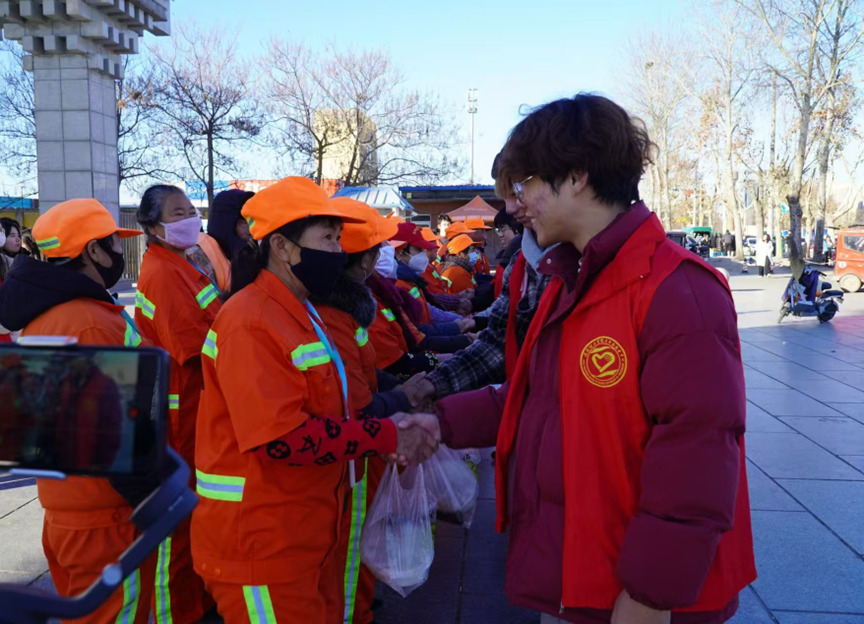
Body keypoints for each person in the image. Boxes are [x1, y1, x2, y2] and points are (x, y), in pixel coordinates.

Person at [430, 94, 756, 623]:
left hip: (641, 599)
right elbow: (537, 398)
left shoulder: (676, 288)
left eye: (523, 185)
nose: (513, 206)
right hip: (579, 576)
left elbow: (698, 449)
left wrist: (651, 595)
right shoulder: (571, 282)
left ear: (577, 175)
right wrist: (435, 421)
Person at [190, 177, 440, 624]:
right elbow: (281, 438)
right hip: (261, 546)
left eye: (339, 238)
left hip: (303, 538)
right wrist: (388, 435)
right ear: (283, 247)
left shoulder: (300, 312)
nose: (338, 250)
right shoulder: (251, 321)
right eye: (327, 237)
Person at [0, 199, 156, 624]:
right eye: (111, 244)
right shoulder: (90, 320)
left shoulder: (46, 315)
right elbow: (116, 432)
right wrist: (154, 494)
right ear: (91, 251)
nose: (118, 254)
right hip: (105, 517)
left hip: (68, 509)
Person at [312, 201, 428, 624]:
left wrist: (399, 390)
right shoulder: (332, 313)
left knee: (355, 548)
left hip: (358, 452)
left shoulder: (348, 305)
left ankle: (358, 606)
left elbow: (363, 374)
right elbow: (355, 401)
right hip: (349, 454)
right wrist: (403, 397)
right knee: (347, 549)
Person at [135, 185, 220, 624]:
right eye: (177, 212)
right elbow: (196, 347)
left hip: (194, 404)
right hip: (180, 408)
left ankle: (199, 602)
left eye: (190, 209)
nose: (189, 217)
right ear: (153, 227)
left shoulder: (182, 264)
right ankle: (180, 614)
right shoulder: (165, 273)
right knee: (179, 518)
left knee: (194, 514)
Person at [198, 189, 256, 293]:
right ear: (227, 223)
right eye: (244, 221)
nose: (251, 228)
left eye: (252, 220)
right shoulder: (200, 253)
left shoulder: (249, 251)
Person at [493, 209, 524, 298]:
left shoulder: (524, 259)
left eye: (503, 229)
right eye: (498, 230)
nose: (500, 235)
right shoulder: (506, 258)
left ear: (516, 228)